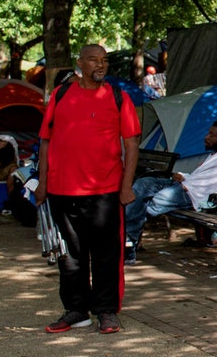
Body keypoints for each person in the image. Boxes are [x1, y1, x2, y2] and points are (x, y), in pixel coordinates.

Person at [40, 44, 142, 334]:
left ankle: (106, 311)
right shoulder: (61, 96)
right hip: (63, 190)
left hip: (105, 191)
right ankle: (75, 310)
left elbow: (131, 144)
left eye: (105, 60)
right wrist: (43, 183)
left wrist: (126, 186)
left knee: (106, 255)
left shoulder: (118, 97)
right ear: (80, 63)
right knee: (69, 256)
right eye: (94, 60)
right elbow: (45, 141)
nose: (101, 65)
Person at [123, 119, 217, 263]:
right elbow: (198, 178)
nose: (206, 137)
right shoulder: (212, 156)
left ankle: (128, 245)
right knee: (143, 183)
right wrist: (182, 176)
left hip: (192, 196)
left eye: (212, 135)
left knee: (150, 203)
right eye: (208, 134)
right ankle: (128, 244)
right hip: (181, 186)